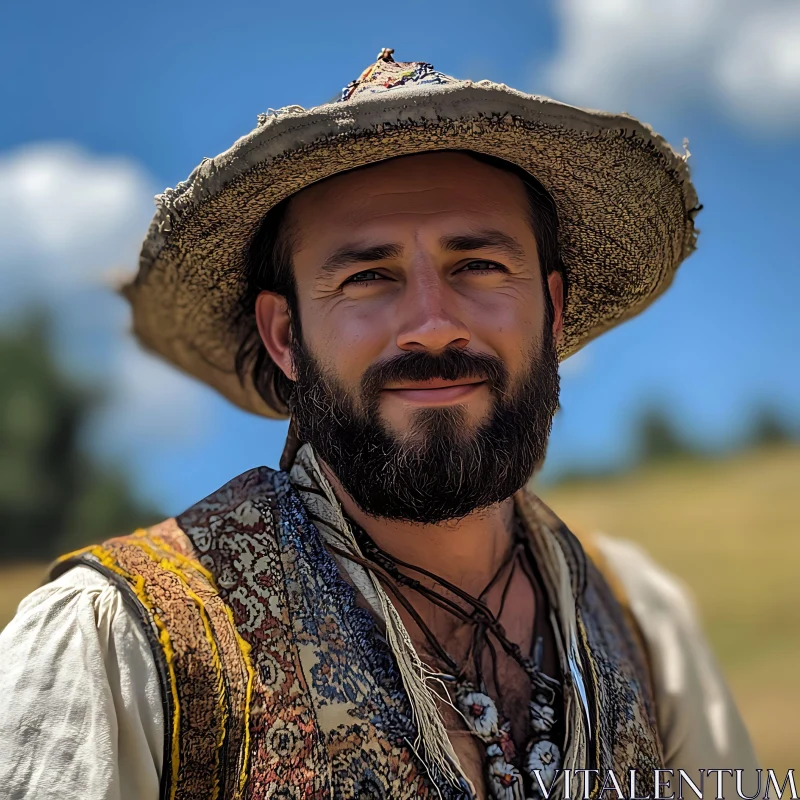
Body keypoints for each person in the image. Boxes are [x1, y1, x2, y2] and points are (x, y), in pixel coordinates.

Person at [0, 50, 758, 800]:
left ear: (552, 311)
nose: (432, 326)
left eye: (479, 266)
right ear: (285, 337)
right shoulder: (118, 645)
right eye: (368, 277)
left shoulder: (643, 621)